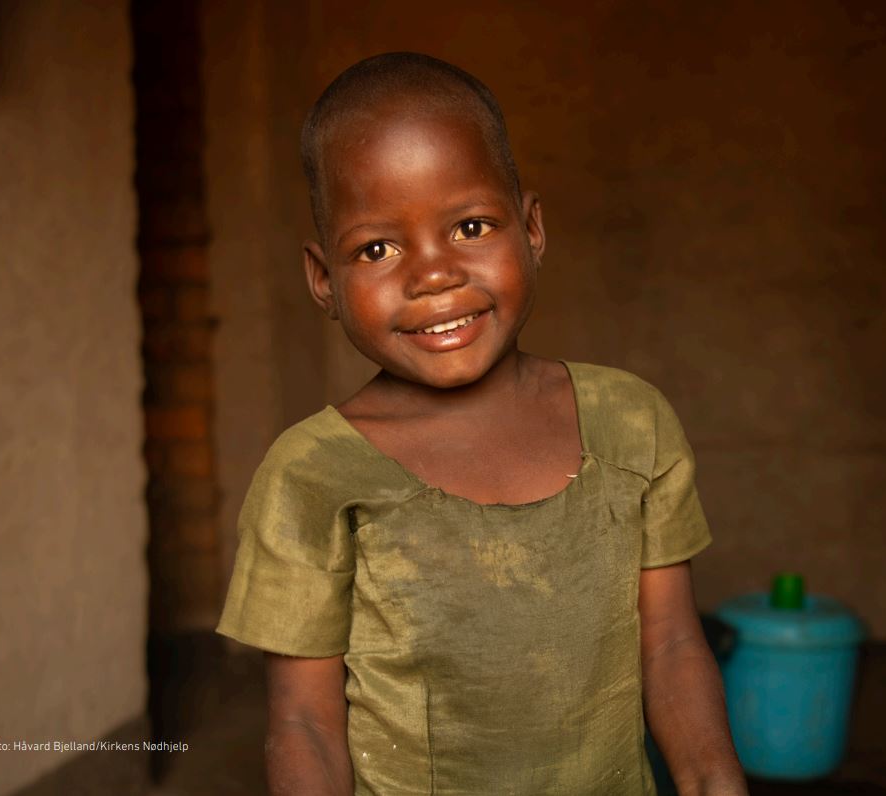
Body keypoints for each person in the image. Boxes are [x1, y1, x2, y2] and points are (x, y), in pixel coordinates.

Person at [217, 52, 747, 795]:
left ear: (531, 229)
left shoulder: (629, 424)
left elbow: (668, 647)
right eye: (376, 248)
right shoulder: (312, 476)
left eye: (469, 226)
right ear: (322, 281)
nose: (433, 275)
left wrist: (712, 780)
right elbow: (303, 724)